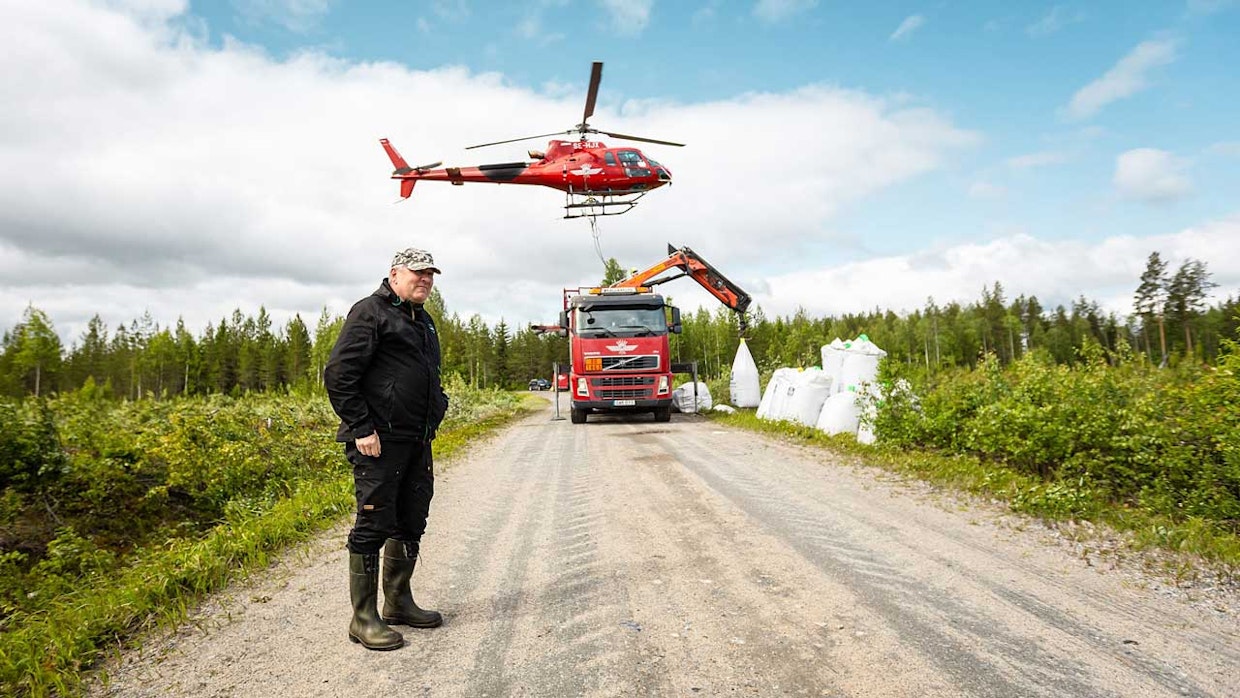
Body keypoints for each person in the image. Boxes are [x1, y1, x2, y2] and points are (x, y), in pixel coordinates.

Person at [324, 247, 450, 651]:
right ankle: (363, 619)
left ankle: (398, 602)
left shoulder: (423, 320)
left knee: (411, 519)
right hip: (378, 441)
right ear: (395, 274)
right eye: (418, 273)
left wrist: (438, 406)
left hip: (416, 439)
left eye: (430, 274)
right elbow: (339, 374)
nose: (425, 280)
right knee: (374, 523)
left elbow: (429, 375)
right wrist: (362, 427)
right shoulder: (370, 312)